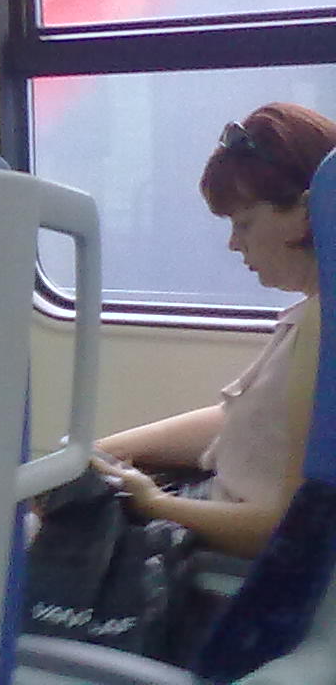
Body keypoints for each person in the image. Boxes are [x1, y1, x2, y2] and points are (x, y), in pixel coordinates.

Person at [93, 101, 336, 558]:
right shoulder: (314, 314)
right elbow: (255, 423)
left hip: (224, 559)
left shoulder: (320, 326)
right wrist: (107, 450)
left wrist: (153, 503)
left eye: (244, 222)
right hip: (214, 505)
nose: (233, 243)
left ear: (306, 213)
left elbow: (283, 529)